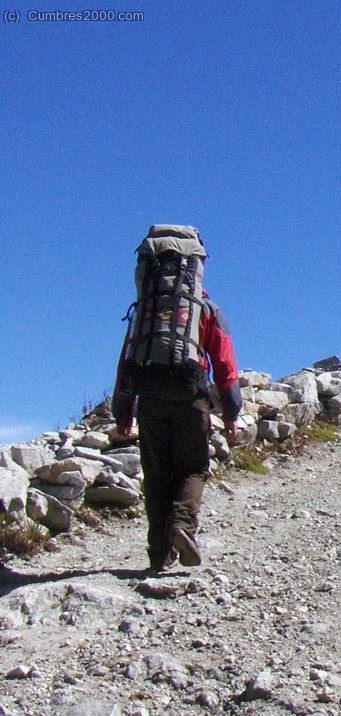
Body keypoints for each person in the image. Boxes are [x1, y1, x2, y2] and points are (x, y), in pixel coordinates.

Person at [112, 237, 242, 573]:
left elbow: (126, 359)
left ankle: (158, 556)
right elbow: (224, 362)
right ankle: (183, 526)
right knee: (193, 468)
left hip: (150, 396)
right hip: (191, 395)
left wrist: (123, 413)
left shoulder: (145, 309)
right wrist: (231, 413)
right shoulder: (205, 308)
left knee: (156, 475)